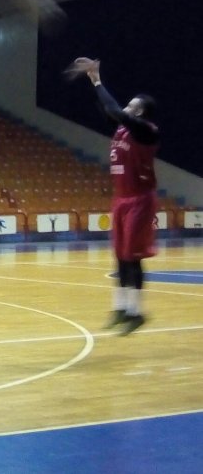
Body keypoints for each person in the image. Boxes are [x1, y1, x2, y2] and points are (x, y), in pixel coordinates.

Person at [79, 57, 159, 336]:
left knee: (132, 257)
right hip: (122, 199)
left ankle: (136, 313)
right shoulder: (123, 129)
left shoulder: (146, 131)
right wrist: (94, 83)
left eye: (135, 104)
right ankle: (121, 309)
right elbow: (109, 109)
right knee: (120, 257)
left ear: (142, 112)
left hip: (140, 199)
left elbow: (113, 108)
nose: (129, 104)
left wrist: (96, 78)